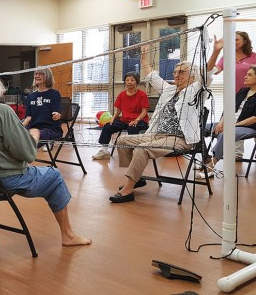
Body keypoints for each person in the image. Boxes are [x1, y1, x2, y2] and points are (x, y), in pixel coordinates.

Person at [0, 56, 91, 246]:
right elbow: (28, 154)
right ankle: (68, 235)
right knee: (54, 176)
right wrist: (33, 136)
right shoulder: (1, 111)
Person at [110, 47, 215, 203]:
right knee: (122, 141)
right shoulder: (169, 90)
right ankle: (136, 178)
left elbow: (206, 74)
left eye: (181, 72)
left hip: (180, 139)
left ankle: (128, 189)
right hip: (157, 134)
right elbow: (153, 77)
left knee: (142, 149)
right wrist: (144, 59)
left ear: (193, 77)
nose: (176, 75)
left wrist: (216, 51)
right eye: (175, 72)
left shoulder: (197, 91)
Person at [197, 65, 256, 179]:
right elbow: (229, 108)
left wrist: (232, 125)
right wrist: (221, 122)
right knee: (199, 128)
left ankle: (210, 167)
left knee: (226, 135)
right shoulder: (243, 91)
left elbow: (254, 118)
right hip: (230, 123)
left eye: (249, 75)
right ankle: (206, 158)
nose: (245, 77)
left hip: (248, 126)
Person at [207, 31, 256, 159]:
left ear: (245, 42)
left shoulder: (253, 57)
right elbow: (211, 71)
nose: (233, 42)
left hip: (253, 98)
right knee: (228, 128)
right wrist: (216, 51)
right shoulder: (226, 58)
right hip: (234, 98)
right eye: (231, 39)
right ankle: (233, 155)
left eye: (236, 40)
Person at [92, 71, 149, 160]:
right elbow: (118, 110)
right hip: (125, 120)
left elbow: (144, 111)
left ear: (136, 82)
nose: (129, 82)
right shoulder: (122, 94)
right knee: (107, 126)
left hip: (140, 121)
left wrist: (136, 120)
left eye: (132, 80)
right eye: (127, 80)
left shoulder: (142, 95)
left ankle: (135, 152)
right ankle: (104, 151)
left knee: (132, 127)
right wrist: (112, 119)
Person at [22, 68, 62, 143]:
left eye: (41, 74)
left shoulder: (54, 94)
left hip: (51, 129)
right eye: (36, 74)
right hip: (33, 128)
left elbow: (58, 114)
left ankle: (29, 151)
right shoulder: (31, 96)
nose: (37, 76)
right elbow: (28, 118)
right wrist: (17, 128)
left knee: (33, 133)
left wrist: (57, 115)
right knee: (18, 134)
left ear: (48, 76)